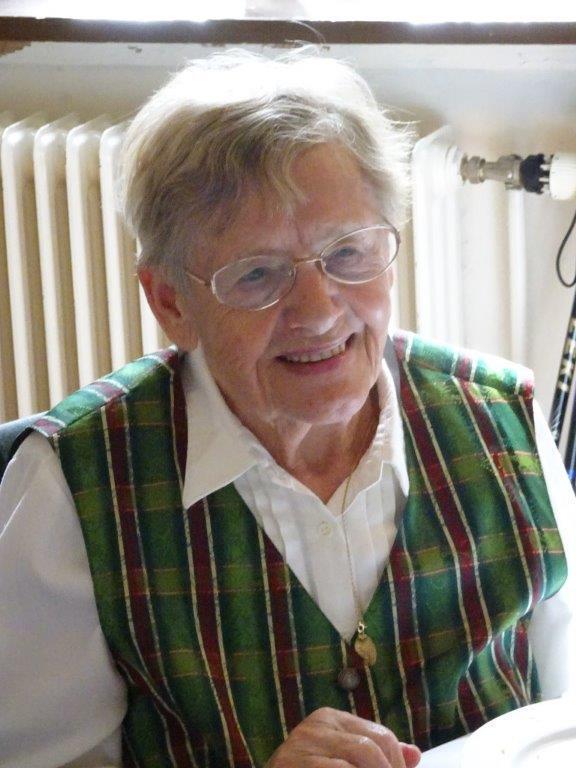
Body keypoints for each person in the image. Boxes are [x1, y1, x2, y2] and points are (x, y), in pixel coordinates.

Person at [0, 50, 574, 768]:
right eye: (257, 274)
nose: (318, 310)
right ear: (171, 302)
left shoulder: (502, 421)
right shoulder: (76, 483)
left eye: (347, 253)